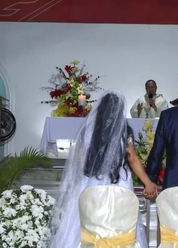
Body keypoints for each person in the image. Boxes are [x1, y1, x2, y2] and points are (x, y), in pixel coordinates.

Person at [49, 92, 159, 247]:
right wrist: (148, 182)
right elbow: (132, 159)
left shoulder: (88, 130)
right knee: (120, 224)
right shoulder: (124, 131)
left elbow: (80, 160)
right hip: (119, 182)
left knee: (86, 222)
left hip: (91, 182)